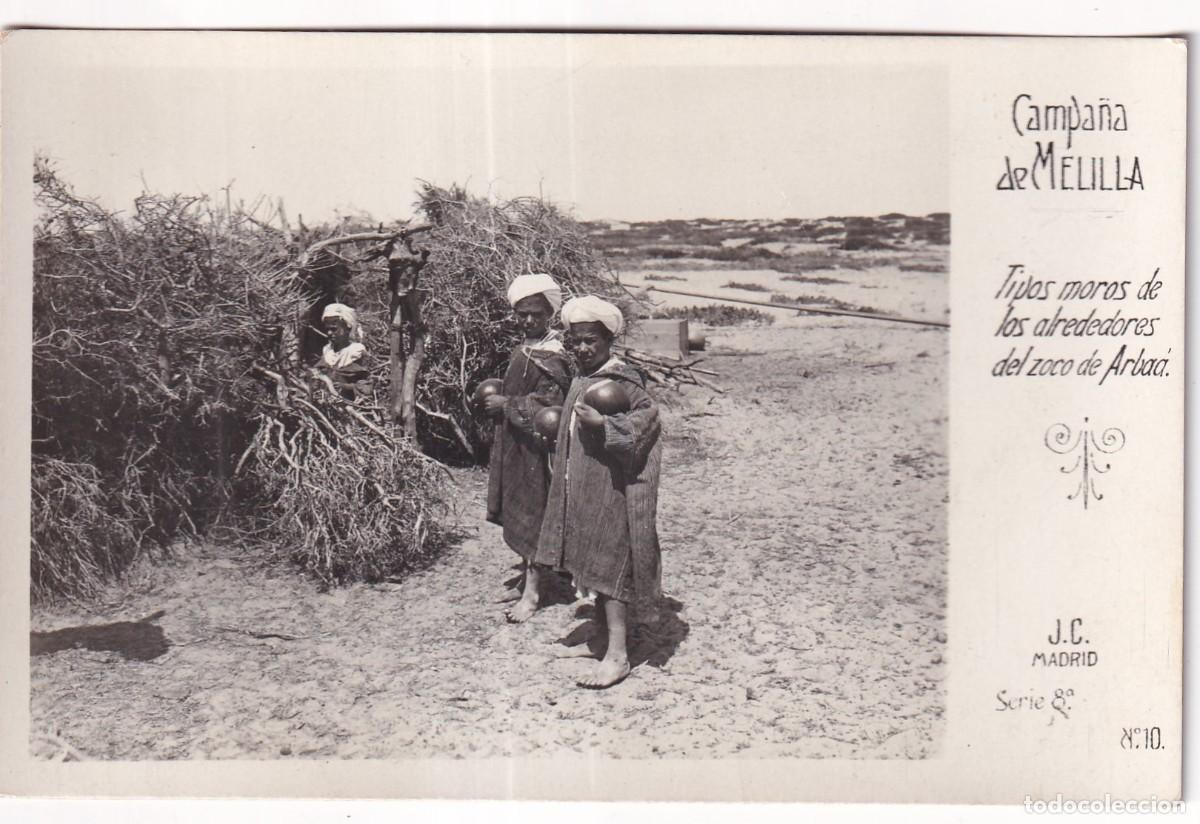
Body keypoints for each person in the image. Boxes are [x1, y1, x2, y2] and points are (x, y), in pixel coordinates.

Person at [535, 295, 663, 688]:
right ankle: (602, 638)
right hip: (584, 485)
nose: (583, 348)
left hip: (612, 488)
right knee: (589, 561)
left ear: (609, 340)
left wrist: (604, 427)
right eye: (576, 341)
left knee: (611, 567)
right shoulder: (582, 379)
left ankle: (618, 656)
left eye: (591, 340)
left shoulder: (624, 381)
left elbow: (647, 423)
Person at [483, 274, 572, 623]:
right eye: (522, 314)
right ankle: (526, 579)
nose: (529, 320)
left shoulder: (554, 356)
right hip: (514, 442)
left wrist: (506, 405)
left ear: (550, 313)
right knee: (518, 505)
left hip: (538, 447)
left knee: (535, 510)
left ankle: (534, 592)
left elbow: (551, 405)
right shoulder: (523, 349)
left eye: (537, 313)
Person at [318, 303, 371, 400]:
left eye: (334, 329)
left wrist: (345, 387)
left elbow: (367, 386)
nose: (329, 333)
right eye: (327, 329)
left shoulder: (356, 352)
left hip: (350, 404)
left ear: (348, 328)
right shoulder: (327, 351)